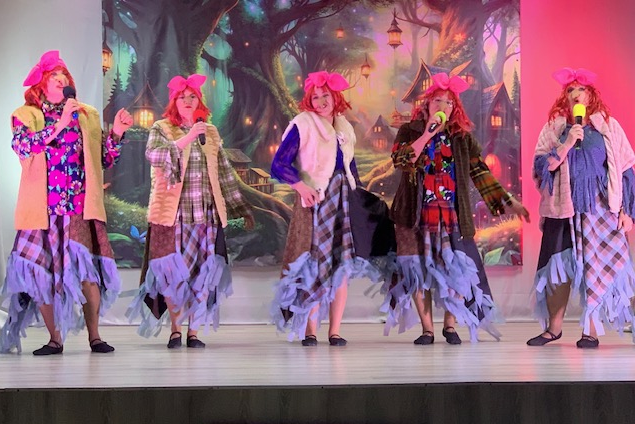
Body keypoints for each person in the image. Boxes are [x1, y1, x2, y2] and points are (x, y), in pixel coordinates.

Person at [0, 50, 133, 355]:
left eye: (64, 76)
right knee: (40, 274)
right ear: (42, 85)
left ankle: (95, 337)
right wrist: (58, 124)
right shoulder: (26, 115)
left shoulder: (86, 115)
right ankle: (54, 339)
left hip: (78, 208)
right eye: (54, 77)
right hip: (41, 209)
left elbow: (102, 160)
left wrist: (117, 133)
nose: (61, 81)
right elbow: (23, 147)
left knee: (86, 273)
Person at [385, 72, 530, 345]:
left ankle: (449, 326)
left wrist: (509, 202)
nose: (443, 106)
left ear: (455, 109)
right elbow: (402, 160)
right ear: (427, 104)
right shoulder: (409, 131)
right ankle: (427, 330)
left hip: (450, 213)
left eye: (449, 102)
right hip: (413, 215)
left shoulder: (462, 139)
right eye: (438, 101)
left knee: (456, 269)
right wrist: (426, 134)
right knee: (416, 270)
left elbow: (481, 173)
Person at [127, 74, 254, 348]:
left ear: (199, 102)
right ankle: (176, 329)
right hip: (173, 216)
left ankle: (193, 332)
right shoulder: (162, 128)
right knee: (173, 275)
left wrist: (241, 208)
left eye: (192, 97)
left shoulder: (210, 132)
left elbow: (224, 173)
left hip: (205, 216)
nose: (187, 101)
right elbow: (153, 155)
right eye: (182, 97)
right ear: (174, 102)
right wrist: (187, 139)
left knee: (202, 275)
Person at [270, 71, 391, 346]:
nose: (321, 101)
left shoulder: (344, 126)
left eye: (326, 95)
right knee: (315, 264)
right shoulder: (303, 123)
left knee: (342, 266)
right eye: (316, 97)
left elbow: (350, 167)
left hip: (343, 200)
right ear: (309, 100)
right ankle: (310, 330)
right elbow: (279, 164)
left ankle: (334, 331)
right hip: (316, 201)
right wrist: (301, 187)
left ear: (335, 97)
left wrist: (358, 199)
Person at [527, 67, 635, 348]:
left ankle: (591, 331)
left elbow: (626, 169)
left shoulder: (608, 126)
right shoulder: (555, 128)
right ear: (565, 97)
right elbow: (542, 167)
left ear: (590, 95)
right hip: (562, 209)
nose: (576, 94)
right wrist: (567, 142)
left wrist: (626, 211)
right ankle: (554, 329)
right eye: (570, 90)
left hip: (600, 209)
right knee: (558, 268)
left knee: (600, 267)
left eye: (581, 90)